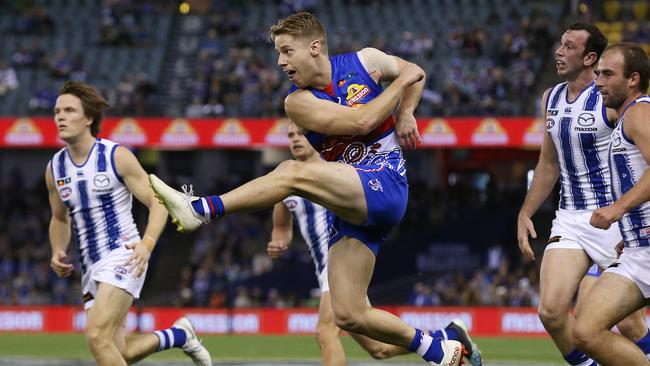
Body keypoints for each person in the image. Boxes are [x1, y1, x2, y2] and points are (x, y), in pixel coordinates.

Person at [150, 12, 476, 366]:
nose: (280, 61)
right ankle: (443, 345)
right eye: (278, 53)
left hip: (385, 181)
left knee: (292, 172)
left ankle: (201, 209)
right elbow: (362, 119)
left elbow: (417, 75)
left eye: (287, 51)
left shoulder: (366, 61)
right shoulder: (297, 102)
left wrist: (407, 112)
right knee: (348, 314)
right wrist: (401, 85)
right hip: (351, 201)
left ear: (315, 47)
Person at [267, 122, 481, 365]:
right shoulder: (286, 178)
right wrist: (279, 240)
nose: (295, 139)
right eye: (291, 135)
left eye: (301, 134)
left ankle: (438, 348)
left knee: (325, 332)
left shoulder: (337, 169)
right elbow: (281, 227)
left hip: (339, 260)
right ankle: (449, 336)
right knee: (380, 349)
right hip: (328, 272)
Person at [46, 81, 212, 366]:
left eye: (69, 110)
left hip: (123, 255)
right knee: (118, 350)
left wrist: (147, 245)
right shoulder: (55, 168)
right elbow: (60, 217)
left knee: (97, 337)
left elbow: (158, 201)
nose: (60, 116)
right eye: (57, 111)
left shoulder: (115, 156)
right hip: (90, 267)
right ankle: (179, 336)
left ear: (88, 119)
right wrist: (57, 249)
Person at [516, 24, 649, 366]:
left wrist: (622, 209)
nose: (559, 51)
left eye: (569, 46)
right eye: (559, 44)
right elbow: (548, 163)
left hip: (611, 217)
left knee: (628, 322)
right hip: (571, 216)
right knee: (551, 311)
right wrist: (526, 211)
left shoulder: (616, 101)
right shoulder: (551, 97)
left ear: (590, 57)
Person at [573, 42, 650, 365]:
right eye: (598, 73)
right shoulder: (628, 117)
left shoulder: (641, 113)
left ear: (633, 79)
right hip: (637, 248)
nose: (598, 81)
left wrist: (618, 210)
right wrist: (628, 231)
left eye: (607, 74)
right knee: (586, 330)